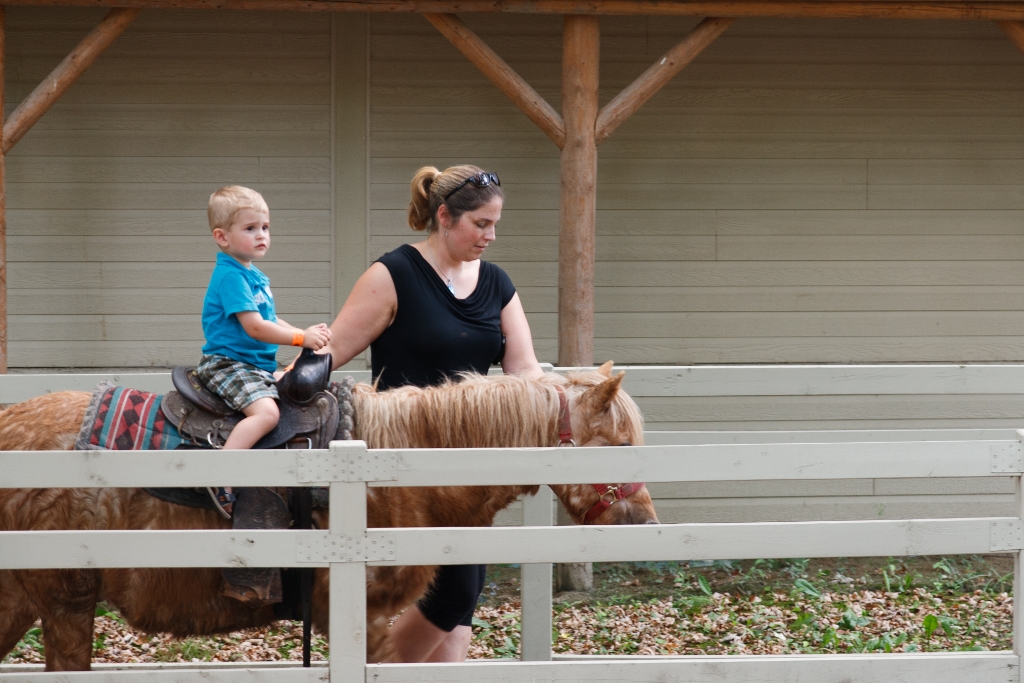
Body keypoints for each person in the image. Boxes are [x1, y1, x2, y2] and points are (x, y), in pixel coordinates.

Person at [323, 165, 543, 661]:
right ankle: (368, 670)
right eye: (480, 224)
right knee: (453, 594)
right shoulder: (393, 274)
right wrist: (273, 381)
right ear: (444, 216)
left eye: (495, 224)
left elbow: (525, 371)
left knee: (461, 605)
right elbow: (330, 351)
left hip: (468, 471)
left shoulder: (497, 284)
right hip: (400, 468)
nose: (490, 236)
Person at [199, 185, 331, 518]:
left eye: (265, 227)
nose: (262, 235)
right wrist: (300, 338)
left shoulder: (253, 274)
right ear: (222, 236)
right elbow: (256, 327)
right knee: (267, 414)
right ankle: (221, 476)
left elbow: (270, 320)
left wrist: (301, 335)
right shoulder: (230, 276)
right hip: (229, 364)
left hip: (253, 364)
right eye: (250, 228)